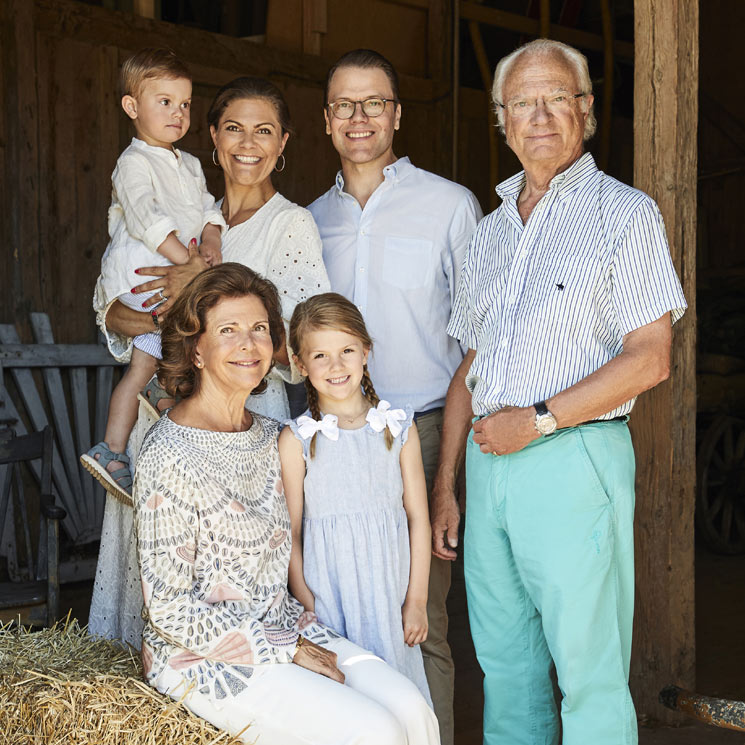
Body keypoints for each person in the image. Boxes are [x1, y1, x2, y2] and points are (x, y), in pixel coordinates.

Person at [431, 39, 688, 745]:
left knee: (588, 673)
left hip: (572, 459)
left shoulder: (624, 214)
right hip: (489, 468)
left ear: (585, 111)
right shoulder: (487, 234)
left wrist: (538, 422)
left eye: (555, 98)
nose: (538, 115)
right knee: (505, 669)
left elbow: (650, 358)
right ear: (502, 120)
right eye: (522, 102)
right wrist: (447, 483)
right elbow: (469, 370)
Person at [134, 263, 440, 745]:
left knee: (413, 710)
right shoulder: (168, 453)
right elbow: (169, 611)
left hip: (286, 627)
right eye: (228, 330)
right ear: (196, 349)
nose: (248, 343)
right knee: (376, 731)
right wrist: (283, 648)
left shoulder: (274, 437)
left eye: (259, 329)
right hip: (206, 657)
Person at [88, 76, 330, 648]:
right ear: (214, 140)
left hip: (240, 424)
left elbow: (301, 344)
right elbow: (111, 315)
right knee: (148, 577)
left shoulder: (290, 224)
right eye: (234, 129)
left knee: (221, 583)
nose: (249, 143)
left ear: (283, 144)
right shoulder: (187, 218)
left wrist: (209, 318)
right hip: (161, 422)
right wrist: (166, 322)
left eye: (264, 131)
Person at [308, 49, 482, 745]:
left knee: (422, 613)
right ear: (324, 120)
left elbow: (476, 342)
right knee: (340, 606)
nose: (359, 118)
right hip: (335, 436)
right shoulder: (309, 219)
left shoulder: (448, 204)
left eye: (373, 102)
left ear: (397, 114)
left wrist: (445, 480)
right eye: (344, 105)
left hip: (427, 426)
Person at [81, 48, 225, 503]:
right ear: (132, 107)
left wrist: (212, 241)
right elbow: (145, 216)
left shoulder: (191, 164)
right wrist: (186, 259)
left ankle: (149, 411)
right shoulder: (134, 162)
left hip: (175, 273)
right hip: (143, 273)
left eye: (184, 104)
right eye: (164, 101)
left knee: (160, 354)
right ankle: (116, 444)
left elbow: (207, 210)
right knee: (169, 348)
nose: (178, 113)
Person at [278, 293, 432, 703]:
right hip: (330, 601)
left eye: (347, 350)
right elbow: (290, 530)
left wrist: (417, 600)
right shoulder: (296, 440)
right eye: (321, 355)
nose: (336, 366)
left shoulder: (398, 428)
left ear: (366, 351)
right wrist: (306, 599)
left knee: (401, 699)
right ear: (300, 363)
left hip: (391, 595)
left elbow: (418, 517)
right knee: (349, 703)